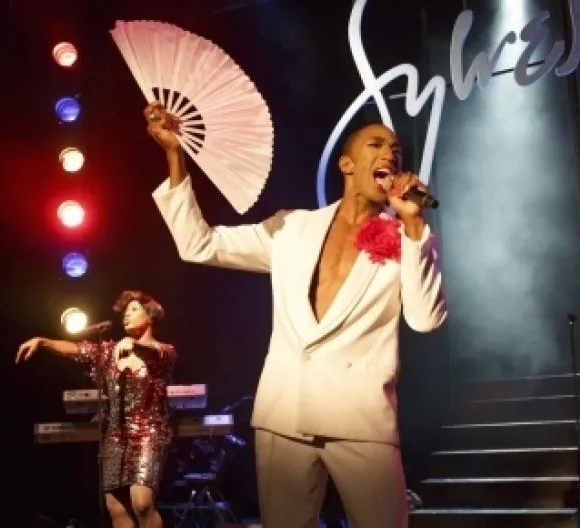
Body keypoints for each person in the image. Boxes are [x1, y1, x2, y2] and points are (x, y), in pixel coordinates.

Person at [144, 102, 447, 527]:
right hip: (284, 412)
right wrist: (175, 156)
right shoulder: (292, 227)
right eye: (376, 144)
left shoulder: (407, 241)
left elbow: (425, 319)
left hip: (360, 415)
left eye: (396, 151)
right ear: (346, 163)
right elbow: (199, 244)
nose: (390, 155)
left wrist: (414, 226)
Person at [17, 290, 174, 528]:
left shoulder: (163, 351)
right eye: (125, 312)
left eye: (134, 310)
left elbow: (152, 353)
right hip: (115, 436)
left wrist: (132, 344)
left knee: (141, 503)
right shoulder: (109, 351)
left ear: (150, 316)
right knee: (116, 507)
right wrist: (43, 341)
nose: (126, 315)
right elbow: (76, 349)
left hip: (148, 433)